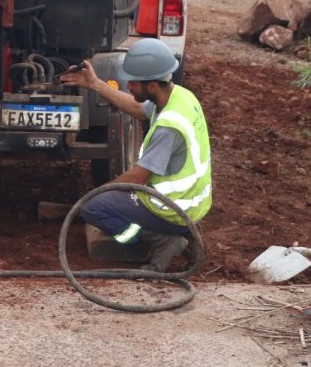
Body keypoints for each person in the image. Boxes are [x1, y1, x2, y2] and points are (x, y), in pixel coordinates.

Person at [59, 38, 211, 272]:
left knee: (93, 207)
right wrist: (96, 84)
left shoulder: (169, 127)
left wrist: (101, 191)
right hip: (193, 204)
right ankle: (173, 233)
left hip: (173, 210)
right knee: (106, 199)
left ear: (151, 85)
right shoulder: (179, 96)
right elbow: (138, 108)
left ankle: (159, 239)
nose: (127, 85)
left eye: (133, 82)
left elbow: (137, 178)